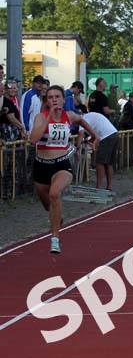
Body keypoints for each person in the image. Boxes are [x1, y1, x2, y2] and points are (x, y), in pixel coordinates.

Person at [29, 86, 99, 254]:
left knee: (55, 194)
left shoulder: (70, 116)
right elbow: (33, 140)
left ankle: (55, 239)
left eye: (57, 97)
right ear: (47, 101)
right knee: (49, 206)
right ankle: (57, 218)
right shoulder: (40, 117)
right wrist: (48, 119)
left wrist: (95, 135)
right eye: (50, 97)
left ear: (63, 99)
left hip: (62, 164)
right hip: (41, 166)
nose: (54, 100)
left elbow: (81, 121)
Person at [82, 111, 120, 191]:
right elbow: (94, 135)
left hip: (106, 136)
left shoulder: (82, 119)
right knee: (109, 163)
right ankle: (109, 186)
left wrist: (78, 147)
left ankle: (98, 187)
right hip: (114, 133)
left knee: (100, 162)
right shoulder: (91, 116)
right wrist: (89, 142)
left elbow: (80, 134)